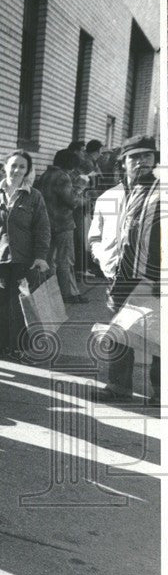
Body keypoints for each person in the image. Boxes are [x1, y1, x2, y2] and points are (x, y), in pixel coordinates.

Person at [88, 135, 161, 404]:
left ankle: (160, 393)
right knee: (120, 334)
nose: (141, 162)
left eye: (147, 156)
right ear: (123, 162)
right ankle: (118, 388)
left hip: (153, 278)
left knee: (158, 336)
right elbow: (95, 235)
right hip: (119, 278)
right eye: (134, 157)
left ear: (155, 160)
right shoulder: (109, 197)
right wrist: (103, 259)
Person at [0, 150, 51, 360]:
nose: (17, 170)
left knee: (21, 304)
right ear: (5, 167)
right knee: (1, 303)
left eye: (22, 166)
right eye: (13, 165)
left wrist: (40, 256)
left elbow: (43, 229)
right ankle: (1, 347)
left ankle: (21, 348)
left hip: (25, 260)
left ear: (27, 170)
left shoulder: (34, 196)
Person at [37, 149, 87, 303]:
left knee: (49, 261)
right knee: (65, 260)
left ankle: (51, 295)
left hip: (46, 224)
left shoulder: (45, 176)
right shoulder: (63, 177)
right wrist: (80, 188)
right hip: (63, 224)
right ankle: (68, 294)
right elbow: (72, 201)